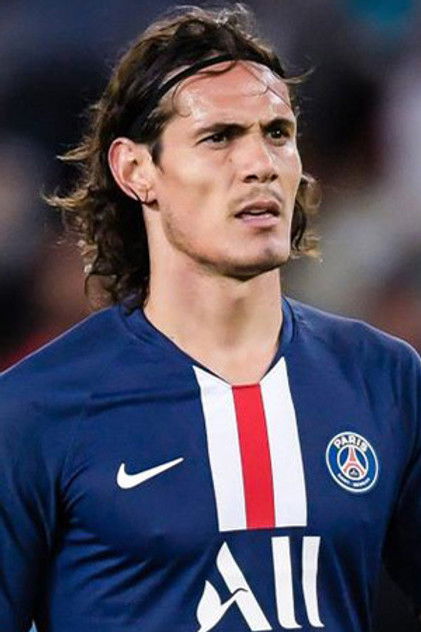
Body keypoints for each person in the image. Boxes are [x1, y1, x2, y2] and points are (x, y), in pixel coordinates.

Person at [0, 5, 420, 632]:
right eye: (219, 137)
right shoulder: (37, 409)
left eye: (277, 133)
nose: (260, 164)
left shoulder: (383, 378)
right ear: (136, 170)